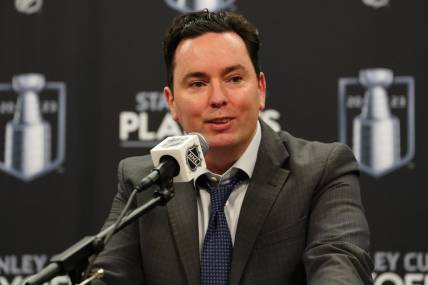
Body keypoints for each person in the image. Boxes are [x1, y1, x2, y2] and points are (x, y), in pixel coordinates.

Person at [91, 9, 373, 285]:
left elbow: (339, 266)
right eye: (198, 83)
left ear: (260, 89)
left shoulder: (321, 171)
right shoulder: (143, 182)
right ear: (172, 102)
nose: (218, 98)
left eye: (234, 79)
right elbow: (105, 276)